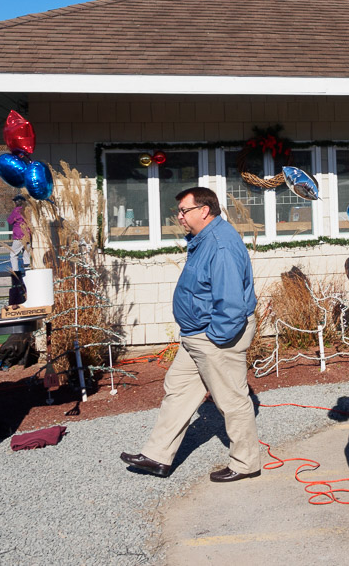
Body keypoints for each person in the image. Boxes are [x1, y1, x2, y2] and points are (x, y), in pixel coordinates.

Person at [120, 187, 259, 482]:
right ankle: (157, 456)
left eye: (184, 211)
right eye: (179, 212)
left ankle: (246, 463)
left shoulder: (220, 244)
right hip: (197, 335)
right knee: (178, 388)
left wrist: (215, 339)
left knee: (231, 399)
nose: (180, 217)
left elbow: (232, 303)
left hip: (215, 336)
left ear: (204, 211)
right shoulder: (204, 240)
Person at [7, 194, 30, 274]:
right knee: (26, 254)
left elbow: (10, 221)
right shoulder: (27, 211)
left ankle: (16, 272)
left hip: (19, 236)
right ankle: (28, 271)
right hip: (28, 235)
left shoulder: (16, 211)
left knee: (13, 254)